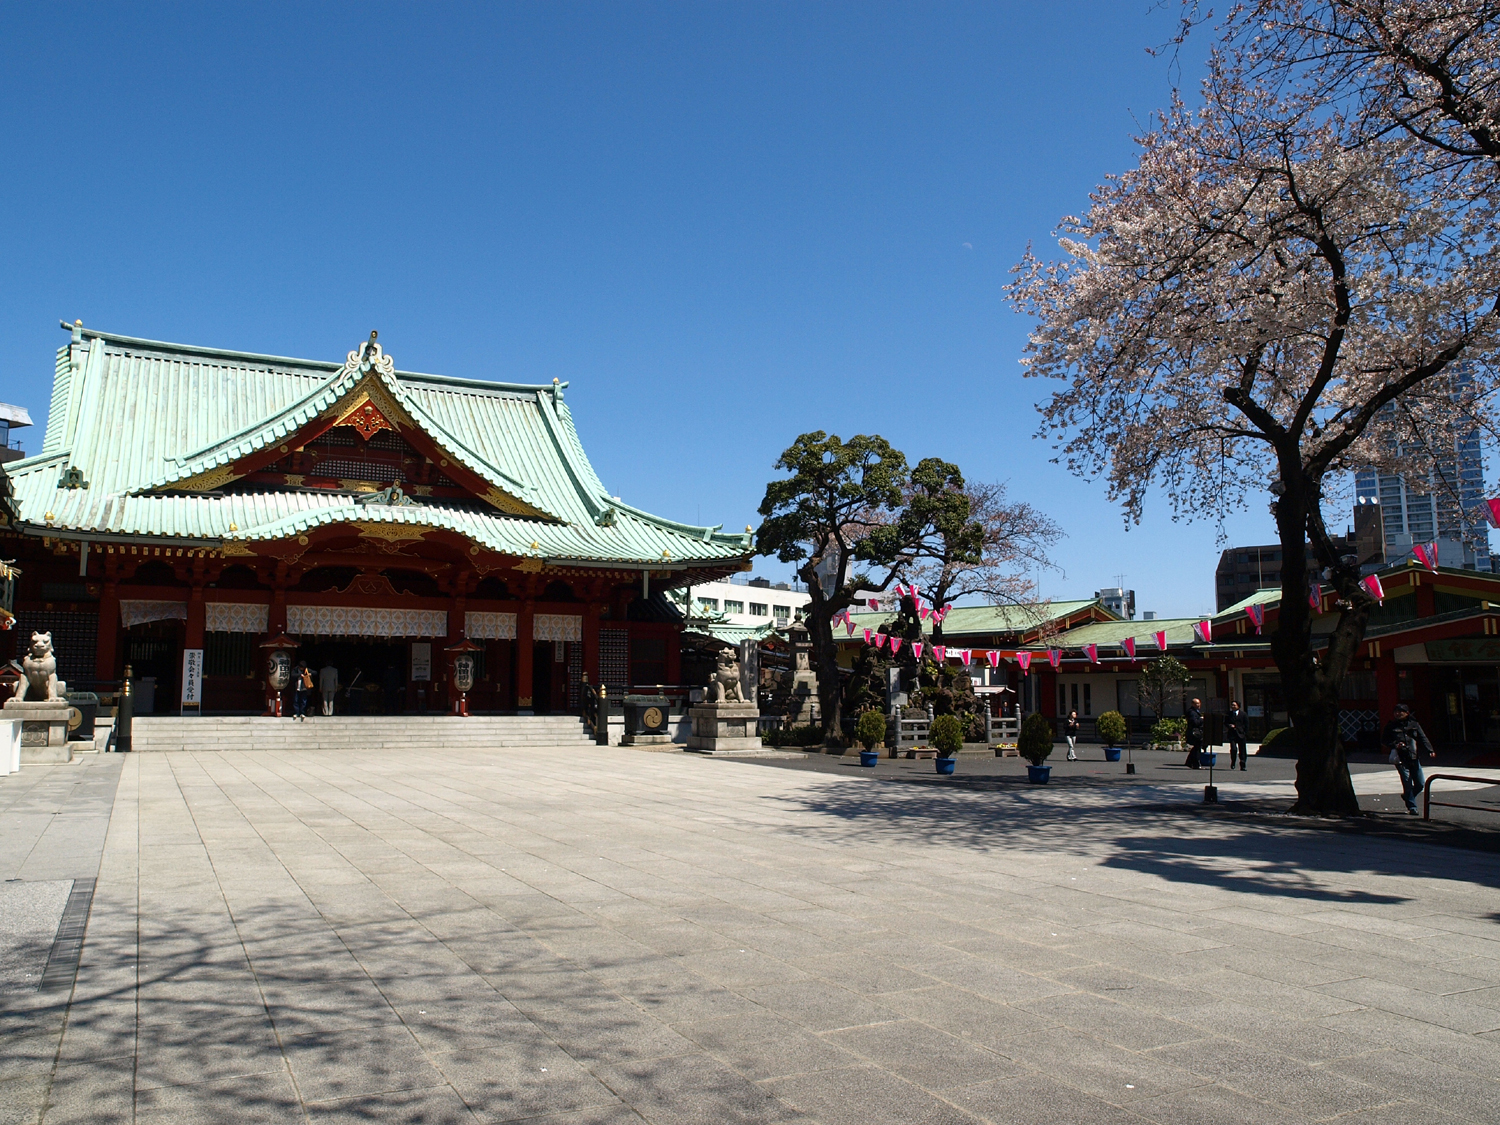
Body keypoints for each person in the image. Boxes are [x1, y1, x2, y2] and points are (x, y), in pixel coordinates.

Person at [1383, 702, 1436, 815]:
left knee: (1421, 783)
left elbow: (1423, 737)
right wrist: (1394, 744)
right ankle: (1412, 807)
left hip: (1414, 756)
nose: (1397, 714)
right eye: (1395, 712)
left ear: (1407, 713)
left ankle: (1407, 796)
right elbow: (1384, 740)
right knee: (1407, 782)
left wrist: (1430, 750)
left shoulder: (1414, 724)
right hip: (1400, 758)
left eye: (1400, 712)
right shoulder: (1391, 726)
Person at [1225, 700, 1248, 771]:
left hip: (1241, 734)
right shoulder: (1229, 714)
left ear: (1238, 706)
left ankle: (1242, 764)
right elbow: (1225, 722)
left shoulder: (1243, 714)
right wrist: (1229, 726)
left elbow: (1246, 724)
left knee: (1242, 750)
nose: (1233, 706)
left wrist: (1244, 733)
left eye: (1234, 705)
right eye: (1232, 705)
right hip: (1232, 734)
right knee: (1234, 749)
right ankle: (1233, 762)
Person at [1184, 697, 1205, 769]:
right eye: (1197, 703)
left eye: (1199, 703)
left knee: (1196, 747)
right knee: (1197, 748)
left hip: (1196, 731)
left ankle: (1189, 762)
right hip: (1194, 732)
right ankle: (1196, 764)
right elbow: (1194, 722)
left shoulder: (1196, 711)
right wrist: (1201, 719)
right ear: (1193, 704)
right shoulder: (1192, 712)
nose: (1199, 705)